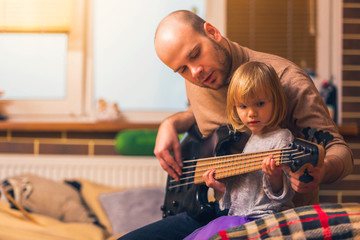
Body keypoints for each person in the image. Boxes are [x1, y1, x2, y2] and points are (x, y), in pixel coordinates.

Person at [118, 10, 353, 240]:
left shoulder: (288, 80)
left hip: (273, 218)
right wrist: (171, 123)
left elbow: (337, 148)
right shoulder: (198, 80)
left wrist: (322, 170)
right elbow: (202, 113)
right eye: (182, 70)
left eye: (195, 54)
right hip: (218, 208)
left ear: (212, 32)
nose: (195, 72)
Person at [184, 61, 295, 240]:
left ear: (276, 101)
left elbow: (284, 194)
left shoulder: (282, 138)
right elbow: (244, 190)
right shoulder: (252, 139)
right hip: (239, 216)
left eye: (259, 103)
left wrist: (275, 177)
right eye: (243, 106)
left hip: (262, 218)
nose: (251, 113)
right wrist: (218, 186)